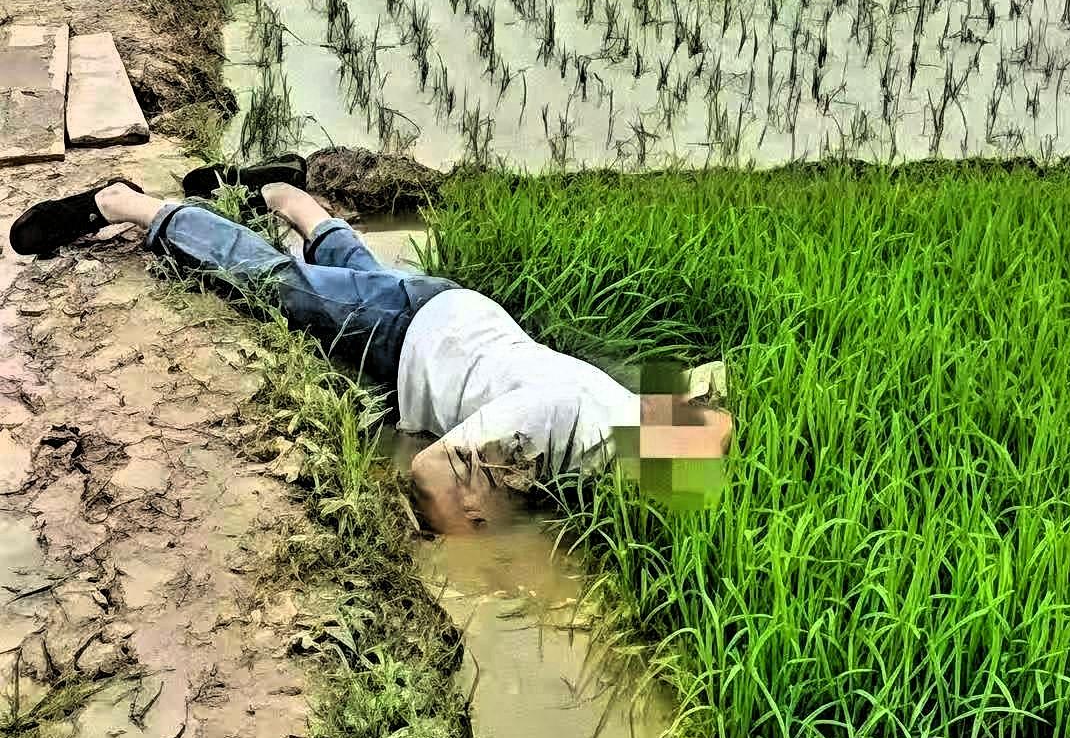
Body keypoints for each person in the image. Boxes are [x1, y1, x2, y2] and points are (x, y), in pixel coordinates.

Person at [8, 157, 733, 536]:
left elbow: (714, 386)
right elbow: (429, 471)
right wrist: (485, 543)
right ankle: (124, 202)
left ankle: (284, 194)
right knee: (274, 282)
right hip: (409, 336)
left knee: (357, 273)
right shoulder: (559, 418)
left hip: (452, 314)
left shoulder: (625, 414)